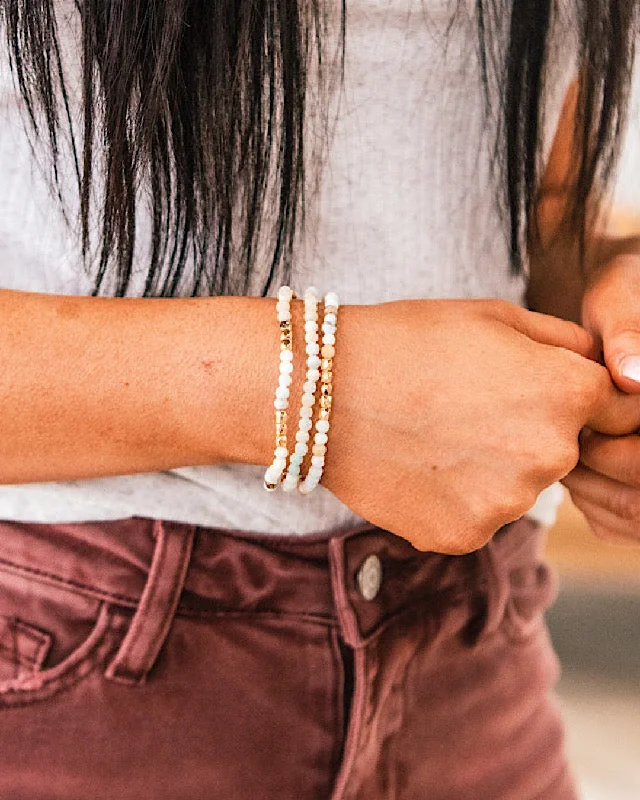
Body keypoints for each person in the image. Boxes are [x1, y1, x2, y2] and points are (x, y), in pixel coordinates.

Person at [0, 0, 638, 797]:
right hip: (77, 662)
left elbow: (535, 207)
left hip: (472, 654)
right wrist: (319, 396)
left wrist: (610, 303)